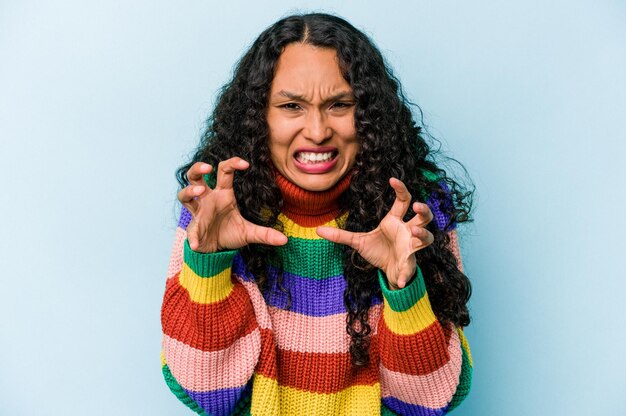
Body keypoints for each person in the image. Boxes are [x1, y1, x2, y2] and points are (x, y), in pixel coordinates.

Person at [161, 12, 474, 416]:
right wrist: (206, 265)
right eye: (292, 105)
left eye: (340, 105)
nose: (317, 130)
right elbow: (207, 393)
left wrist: (404, 290)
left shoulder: (414, 213)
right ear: (260, 116)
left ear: (369, 117)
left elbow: (428, 402)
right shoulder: (217, 210)